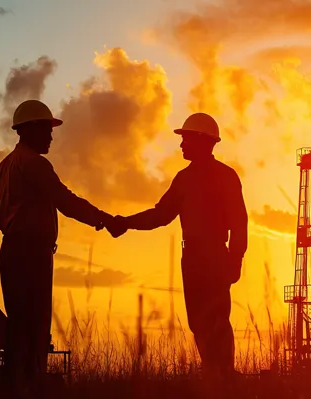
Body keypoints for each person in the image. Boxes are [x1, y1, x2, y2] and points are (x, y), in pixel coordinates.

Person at [106, 112, 248, 393]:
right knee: (198, 321)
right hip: (193, 258)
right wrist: (126, 223)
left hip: (214, 256)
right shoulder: (184, 179)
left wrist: (235, 258)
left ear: (201, 141)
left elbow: (239, 223)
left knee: (218, 319)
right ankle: (214, 375)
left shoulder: (226, 177)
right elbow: (161, 215)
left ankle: (225, 377)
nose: (181, 145)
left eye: (185, 139)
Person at [0, 99, 114, 398]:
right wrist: (102, 218)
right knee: (34, 323)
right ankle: (30, 386)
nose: (51, 136)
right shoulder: (34, 163)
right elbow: (64, 199)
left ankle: (18, 383)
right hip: (31, 252)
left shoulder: (6, 164)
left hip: (12, 250)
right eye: (47, 130)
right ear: (30, 130)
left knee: (19, 322)